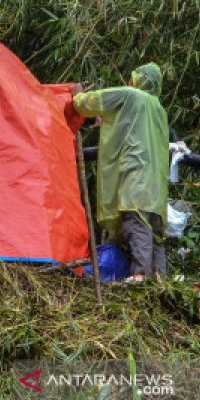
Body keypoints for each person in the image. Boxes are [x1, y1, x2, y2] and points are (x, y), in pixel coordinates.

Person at [72, 63, 170, 282]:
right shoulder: (158, 109)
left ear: (139, 80)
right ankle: (160, 279)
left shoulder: (130, 96)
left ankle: (140, 276)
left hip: (137, 175)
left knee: (136, 222)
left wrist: (77, 95)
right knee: (154, 229)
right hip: (156, 181)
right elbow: (129, 124)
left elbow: (90, 103)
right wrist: (107, 119)